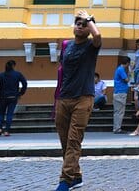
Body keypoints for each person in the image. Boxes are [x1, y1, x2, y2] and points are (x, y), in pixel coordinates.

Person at [54, 10, 101, 191]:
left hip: (83, 98)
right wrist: (56, 98)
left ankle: (65, 181)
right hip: (64, 98)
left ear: (89, 28)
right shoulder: (66, 45)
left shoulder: (91, 46)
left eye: (84, 24)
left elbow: (98, 35)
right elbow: (62, 72)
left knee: (74, 140)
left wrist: (89, 18)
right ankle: (76, 176)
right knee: (65, 141)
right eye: (78, 23)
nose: (80, 26)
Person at [0, 59, 27, 136]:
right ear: (13, 66)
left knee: (1, 113)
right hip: (13, 97)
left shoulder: (0, 75)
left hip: (3, 97)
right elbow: (24, 83)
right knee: (9, 114)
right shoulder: (18, 74)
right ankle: (6, 131)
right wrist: (20, 93)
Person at [112, 56, 130, 134]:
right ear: (127, 63)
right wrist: (130, 72)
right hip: (121, 93)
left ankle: (116, 128)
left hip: (118, 92)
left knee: (117, 111)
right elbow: (126, 80)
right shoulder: (121, 70)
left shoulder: (118, 69)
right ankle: (117, 128)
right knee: (120, 112)